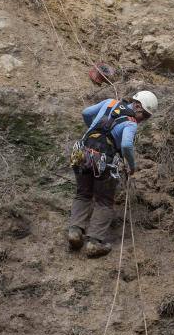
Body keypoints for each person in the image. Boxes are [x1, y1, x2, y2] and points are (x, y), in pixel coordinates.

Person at [67, 90, 158, 257]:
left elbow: (85, 113)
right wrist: (131, 165)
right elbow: (126, 146)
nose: (143, 119)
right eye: (144, 115)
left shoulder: (110, 102)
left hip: (81, 152)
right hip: (104, 160)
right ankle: (94, 243)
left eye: (146, 117)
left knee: (83, 194)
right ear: (137, 105)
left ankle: (74, 232)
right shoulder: (131, 123)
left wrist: (94, 130)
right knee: (104, 201)